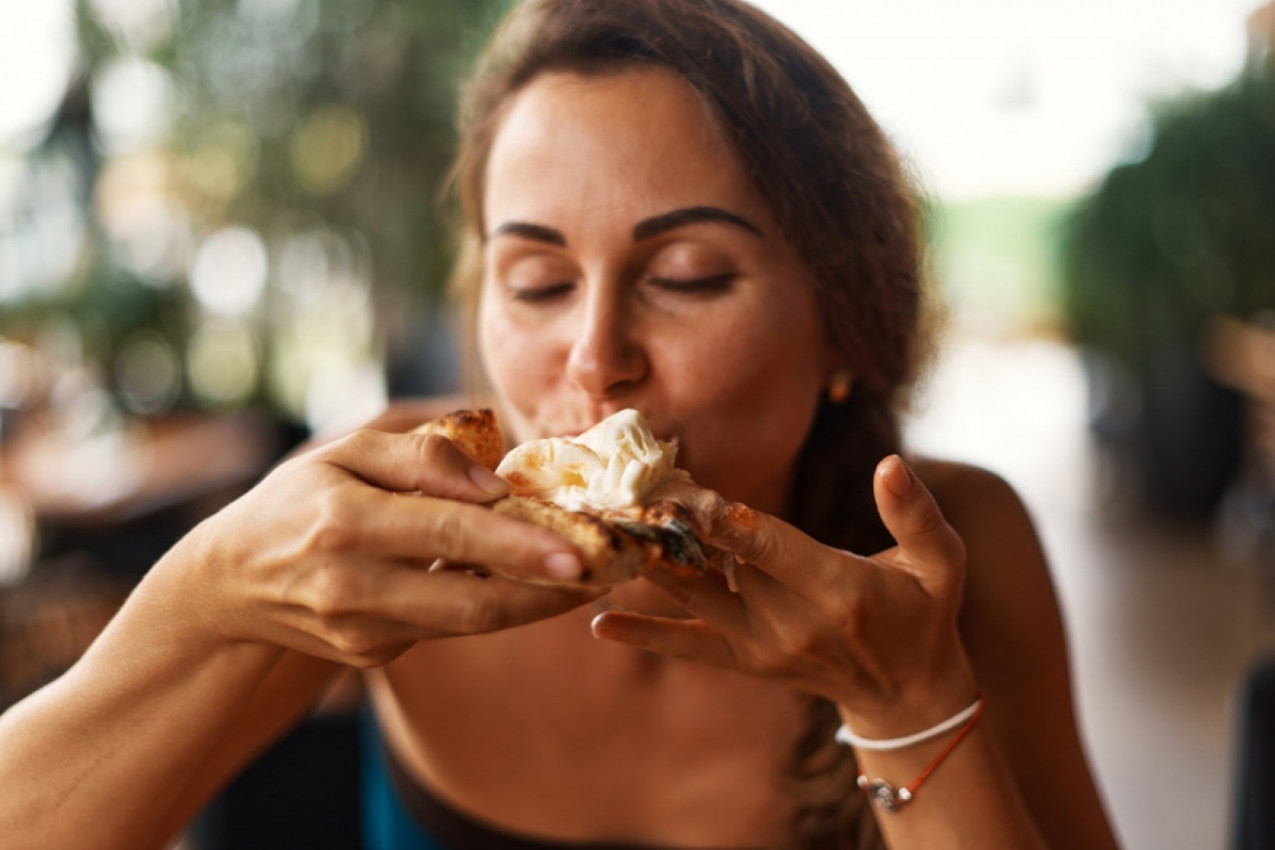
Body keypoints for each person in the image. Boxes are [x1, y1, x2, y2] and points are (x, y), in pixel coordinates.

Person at [0, 1, 1121, 848]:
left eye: (685, 276)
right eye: (537, 283)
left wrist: (910, 705)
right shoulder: (386, 514)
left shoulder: (947, 557)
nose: (593, 360)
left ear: (846, 327)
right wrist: (203, 599)